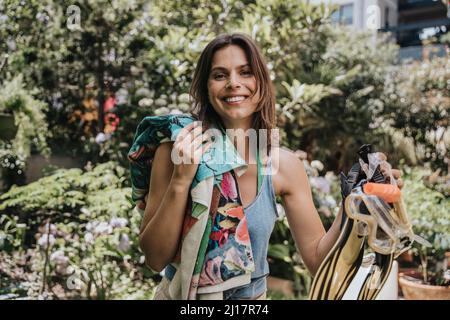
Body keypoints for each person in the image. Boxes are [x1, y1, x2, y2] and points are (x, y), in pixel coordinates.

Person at [137, 32, 403, 300]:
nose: (233, 83)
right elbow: (154, 258)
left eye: (245, 72)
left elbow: (318, 261)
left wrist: (354, 202)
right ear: (206, 87)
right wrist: (181, 181)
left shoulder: (284, 165)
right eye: (219, 75)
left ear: (261, 83)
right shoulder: (177, 150)